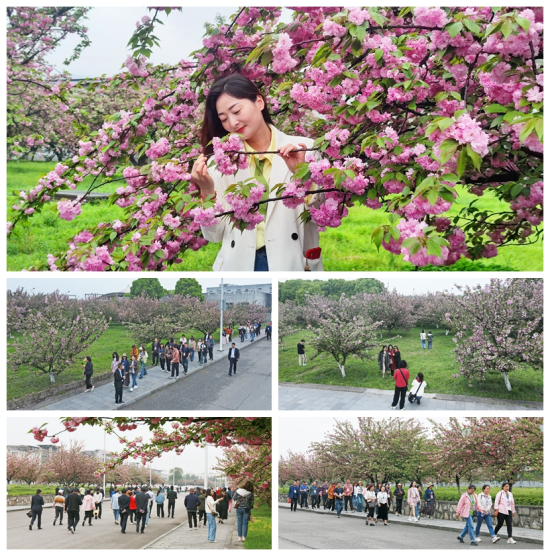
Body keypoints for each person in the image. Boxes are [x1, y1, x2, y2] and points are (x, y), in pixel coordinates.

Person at [192, 73, 323, 272]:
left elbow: (324, 215)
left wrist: (303, 178)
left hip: (292, 261)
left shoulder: (305, 149)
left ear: (259, 102)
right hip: (240, 265)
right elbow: (213, 235)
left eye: (236, 110)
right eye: (224, 119)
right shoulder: (220, 162)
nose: (233, 123)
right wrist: (207, 192)